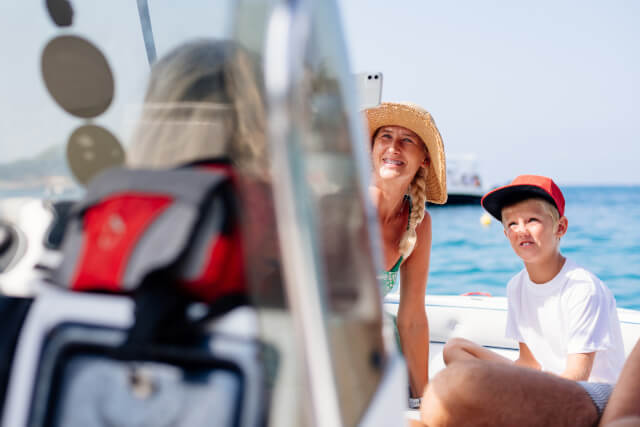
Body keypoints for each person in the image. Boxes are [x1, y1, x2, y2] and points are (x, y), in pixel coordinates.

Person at [418, 174, 626, 426]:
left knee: (464, 395)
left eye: (532, 220)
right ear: (506, 234)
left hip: (587, 396)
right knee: (456, 350)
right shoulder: (516, 286)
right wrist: (503, 384)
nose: (522, 230)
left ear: (560, 227)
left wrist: (514, 391)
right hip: (546, 381)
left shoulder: (582, 288)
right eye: (512, 223)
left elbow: (577, 376)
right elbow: (529, 362)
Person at [364, 102, 447, 408]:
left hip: (377, 349)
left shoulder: (419, 222)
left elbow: (412, 318)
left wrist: (423, 399)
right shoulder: (344, 208)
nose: (394, 147)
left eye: (407, 140)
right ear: (372, 149)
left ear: (424, 159)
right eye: (385, 136)